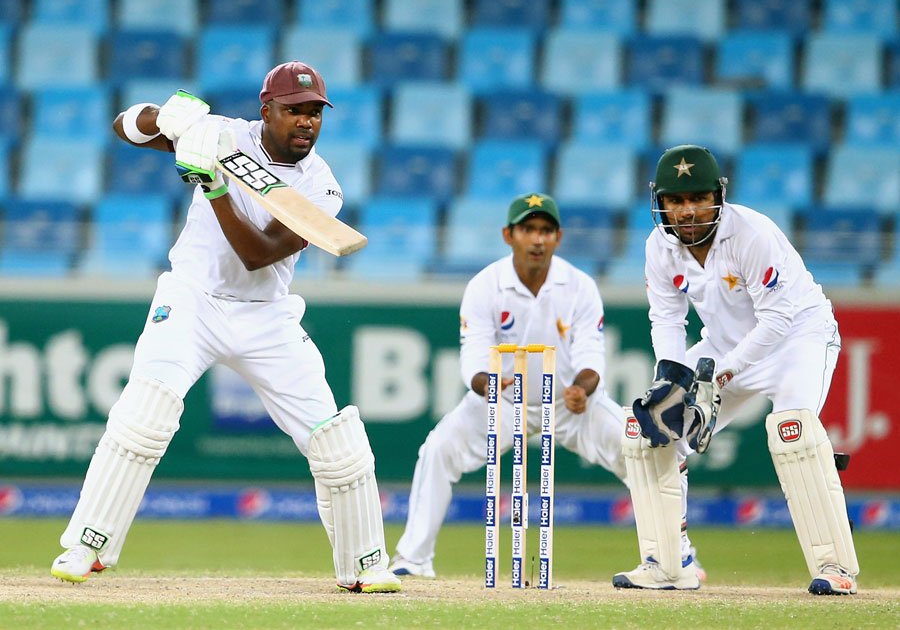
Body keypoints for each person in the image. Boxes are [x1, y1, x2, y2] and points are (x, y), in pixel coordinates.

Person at [50, 61, 401, 594]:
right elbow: (123, 126)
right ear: (267, 111)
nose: (306, 122)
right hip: (192, 301)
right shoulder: (223, 135)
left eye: (314, 113)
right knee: (145, 414)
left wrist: (214, 187)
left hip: (267, 315)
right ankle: (88, 545)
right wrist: (165, 117)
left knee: (338, 442)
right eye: (294, 111)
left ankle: (365, 565)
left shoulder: (322, 189)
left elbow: (257, 255)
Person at [388, 193, 702, 580]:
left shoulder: (579, 286)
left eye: (546, 231)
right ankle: (413, 559)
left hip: (570, 405)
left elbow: (592, 354)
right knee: (437, 450)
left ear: (558, 237)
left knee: (645, 452)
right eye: (528, 230)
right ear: (509, 235)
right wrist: (487, 383)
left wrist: (581, 390)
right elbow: (473, 355)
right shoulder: (485, 286)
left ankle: (677, 556)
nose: (537, 239)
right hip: (502, 401)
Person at [613, 145, 859, 595]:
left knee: (794, 433)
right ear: (660, 202)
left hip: (796, 341)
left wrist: (716, 377)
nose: (687, 210)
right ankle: (670, 564)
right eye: (676, 200)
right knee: (647, 428)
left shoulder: (751, 233)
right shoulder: (659, 247)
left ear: (718, 197)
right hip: (723, 347)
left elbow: (778, 320)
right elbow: (666, 320)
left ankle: (835, 568)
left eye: (697, 198)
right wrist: (669, 380)